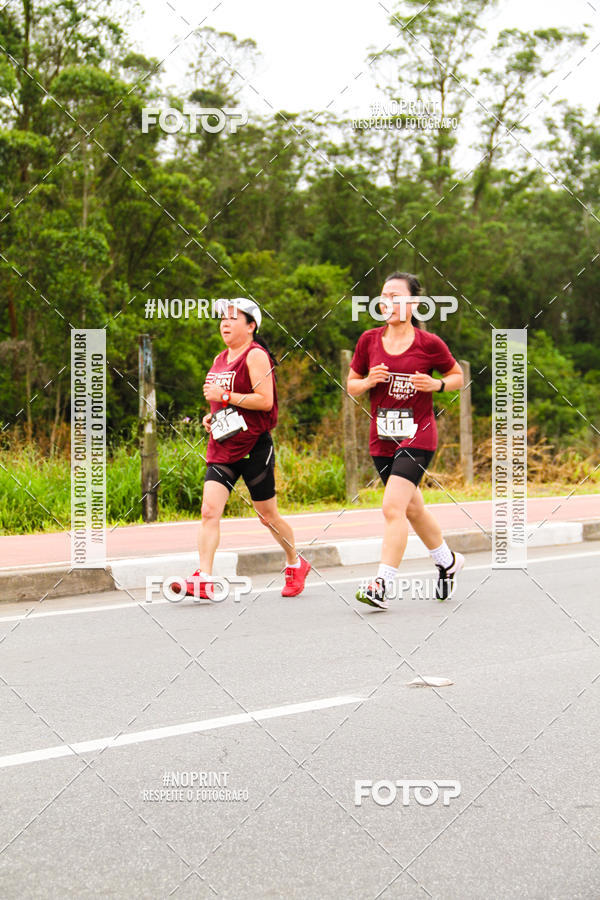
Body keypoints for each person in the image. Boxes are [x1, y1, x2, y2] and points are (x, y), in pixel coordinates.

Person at [175, 298, 311, 600]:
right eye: (222, 318)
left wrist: (224, 395)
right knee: (209, 510)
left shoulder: (256, 355)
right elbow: (221, 402)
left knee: (267, 516)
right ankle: (205, 578)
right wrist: (211, 417)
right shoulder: (218, 358)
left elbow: (265, 401)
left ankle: (295, 562)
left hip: (253, 446)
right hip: (222, 446)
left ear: (251, 326)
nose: (225, 322)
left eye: (233, 317)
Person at [347, 272, 465, 609]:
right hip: (382, 438)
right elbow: (351, 385)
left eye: (397, 296)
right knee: (413, 508)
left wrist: (437, 386)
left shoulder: (429, 344)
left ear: (414, 303)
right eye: (385, 296)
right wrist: (368, 380)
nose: (389, 302)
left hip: (418, 434)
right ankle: (447, 561)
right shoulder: (368, 340)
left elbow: (457, 375)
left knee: (392, 507)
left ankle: (382, 584)